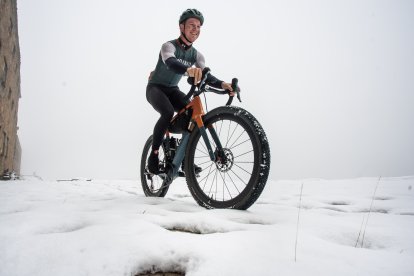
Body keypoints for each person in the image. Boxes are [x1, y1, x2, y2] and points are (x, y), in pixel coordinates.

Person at [146, 8, 234, 174]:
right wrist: (188, 71)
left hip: (173, 90)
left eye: (198, 26)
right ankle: (154, 154)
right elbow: (170, 62)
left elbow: (206, 75)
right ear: (181, 27)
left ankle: (184, 158)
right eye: (191, 25)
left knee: (193, 114)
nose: (195, 29)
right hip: (156, 88)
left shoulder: (197, 55)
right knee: (166, 113)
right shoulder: (168, 46)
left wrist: (223, 84)